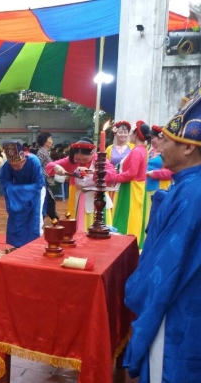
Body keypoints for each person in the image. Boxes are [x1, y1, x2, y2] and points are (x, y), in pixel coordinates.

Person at [122, 93, 201, 383]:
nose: (159, 145)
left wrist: (135, 292)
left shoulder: (191, 194)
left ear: (189, 147)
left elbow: (164, 268)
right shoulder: (187, 186)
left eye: (167, 140)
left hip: (178, 307)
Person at [46, 138, 118, 232]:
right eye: (78, 158)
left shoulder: (99, 160)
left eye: (85, 159)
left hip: (98, 200)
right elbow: (49, 166)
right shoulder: (71, 160)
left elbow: (113, 174)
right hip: (80, 199)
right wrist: (56, 167)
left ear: (92, 153)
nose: (81, 161)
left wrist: (92, 172)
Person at [0, 141, 45, 249]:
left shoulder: (34, 161)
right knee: (15, 217)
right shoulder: (8, 164)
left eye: (18, 165)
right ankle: (16, 244)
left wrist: (18, 190)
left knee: (34, 218)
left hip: (35, 191)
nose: (15, 168)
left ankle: (32, 245)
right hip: (17, 194)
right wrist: (14, 190)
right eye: (12, 165)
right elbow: (4, 181)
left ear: (23, 159)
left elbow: (39, 183)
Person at [112, 120, 151, 248]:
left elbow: (131, 173)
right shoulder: (143, 150)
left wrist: (115, 177)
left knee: (127, 215)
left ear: (135, 135)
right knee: (135, 215)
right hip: (137, 186)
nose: (128, 136)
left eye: (131, 133)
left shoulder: (136, 151)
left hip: (131, 187)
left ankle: (124, 244)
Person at [144, 125, 173, 228]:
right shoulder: (150, 151)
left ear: (161, 138)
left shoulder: (167, 152)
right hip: (147, 187)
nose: (151, 141)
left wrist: (153, 173)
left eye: (153, 138)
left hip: (159, 187)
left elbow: (170, 173)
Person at [36, 132, 59, 220]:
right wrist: (46, 175)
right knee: (49, 201)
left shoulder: (45, 152)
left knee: (49, 201)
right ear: (45, 141)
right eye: (50, 139)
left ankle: (54, 218)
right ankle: (55, 219)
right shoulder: (41, 152)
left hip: (45, 180)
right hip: (43, 180)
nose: (52, 141)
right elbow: (39, 167)